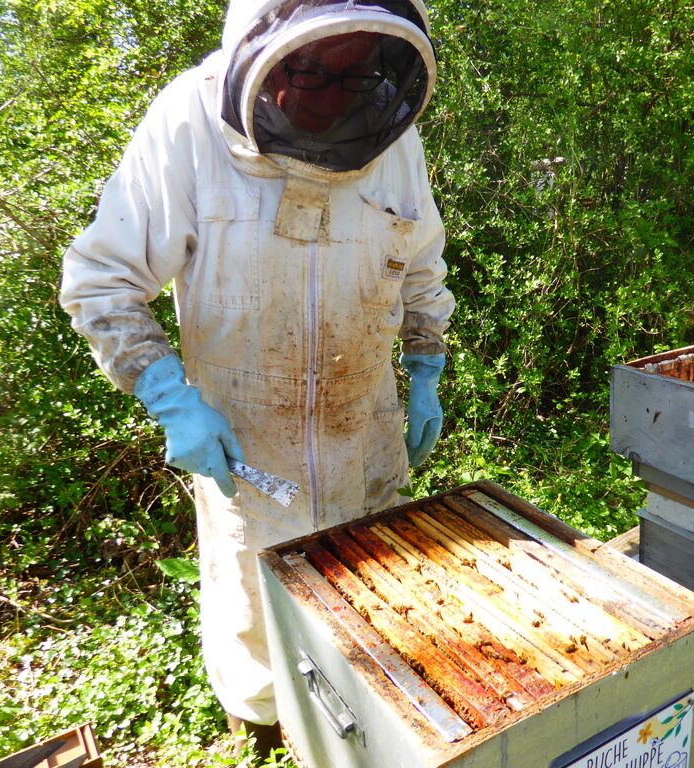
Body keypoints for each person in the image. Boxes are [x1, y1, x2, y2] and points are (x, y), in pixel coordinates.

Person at [59, 0, 454, 753]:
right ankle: (260, 729)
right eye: (306, 69)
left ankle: (364, 731)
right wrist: (169, 398)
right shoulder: (188, 123)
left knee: (372, 591)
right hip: (248, 437)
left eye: (354, 74)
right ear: (261, 50)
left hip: (363, 423)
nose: (328, 97)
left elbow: (421, 262)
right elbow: (101, 279)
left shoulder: (394, 140)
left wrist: (426, 361)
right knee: (253, 601)